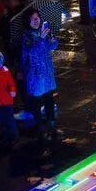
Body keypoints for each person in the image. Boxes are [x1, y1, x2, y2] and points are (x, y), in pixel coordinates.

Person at [20, 10, 58, 140]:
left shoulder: (43, 31)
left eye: (37, 18)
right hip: (35, 74)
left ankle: (51, 121)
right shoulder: (26, 37)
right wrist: (41, 39)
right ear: (27, 21)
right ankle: (39, 125)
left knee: (49, 98)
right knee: (37, 101)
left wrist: (52, 40)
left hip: (46, 72)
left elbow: (50, 47)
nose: (36, 21)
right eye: (32, 19)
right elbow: (32, 53)